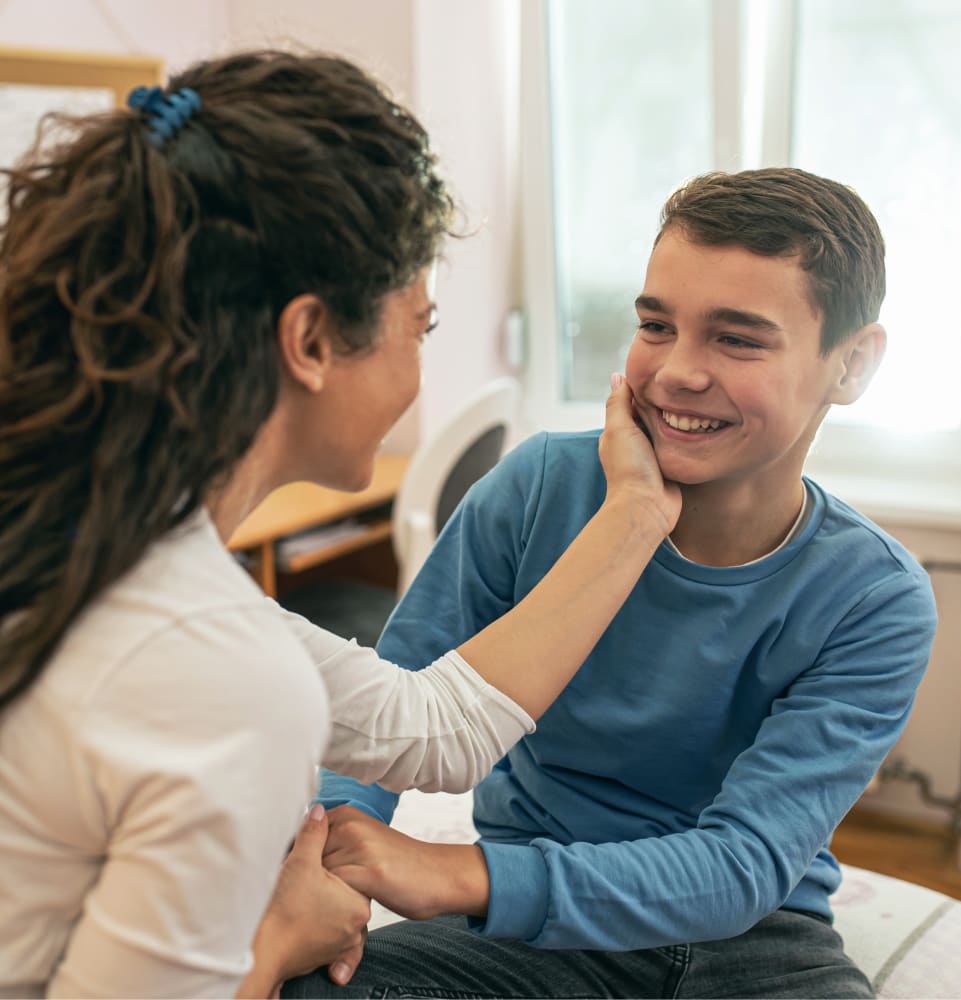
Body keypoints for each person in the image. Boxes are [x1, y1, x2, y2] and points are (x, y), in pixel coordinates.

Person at [0, 51, 679, 999]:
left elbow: (435, 729)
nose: (418, 369)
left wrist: (636, 514)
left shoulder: (93, 544)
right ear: (313, 341)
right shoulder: (212, 666)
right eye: (422, 327)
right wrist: (280, 935)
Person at [295, 168, 938, 999]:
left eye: (737, 339)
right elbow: (382, 717)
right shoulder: (535, 492)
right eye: (655, 325)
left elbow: (742, 864)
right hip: (525, 940)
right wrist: (324, 861)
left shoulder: (874, 596)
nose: (676, 371)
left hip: (754, 943)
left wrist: (454, 874)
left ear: (851, 365)